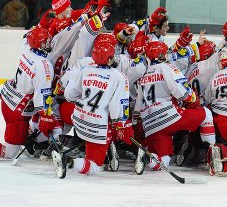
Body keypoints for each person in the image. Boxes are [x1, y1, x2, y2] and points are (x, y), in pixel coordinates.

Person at [134, 41, 216, 174]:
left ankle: (147, 158)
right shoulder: (167, 67)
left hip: (150, 124)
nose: (167, 55)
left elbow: (138, 107)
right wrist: (192, 98)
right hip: (169, 117)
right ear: (160, 55)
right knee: (206, 114)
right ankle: (212, 153)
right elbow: (182, 91)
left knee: (163, 160)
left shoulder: (143, 75)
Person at [59, 41, 133, 176]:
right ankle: (69, 160)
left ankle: (75, 146)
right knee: (95, 166)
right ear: (108, 58)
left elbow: (71, 94)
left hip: (78, 119)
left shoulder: (86, 69)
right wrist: (122, 125)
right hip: (97, 125)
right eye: (112, 55)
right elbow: (117, 105)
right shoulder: (119, 77)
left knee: (87, 127)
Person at [0, 27, 54, 159]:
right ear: (37, 44)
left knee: (24, 134)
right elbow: (43, 96)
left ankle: (25, 133)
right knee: (10, 153)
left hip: (7, 96)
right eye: (44, 42)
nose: (48, 44)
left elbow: (26, 37)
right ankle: (22, 133)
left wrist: (43, 23)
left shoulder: (27, 48)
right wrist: (47, 116)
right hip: (17, 112)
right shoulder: (43, 65)